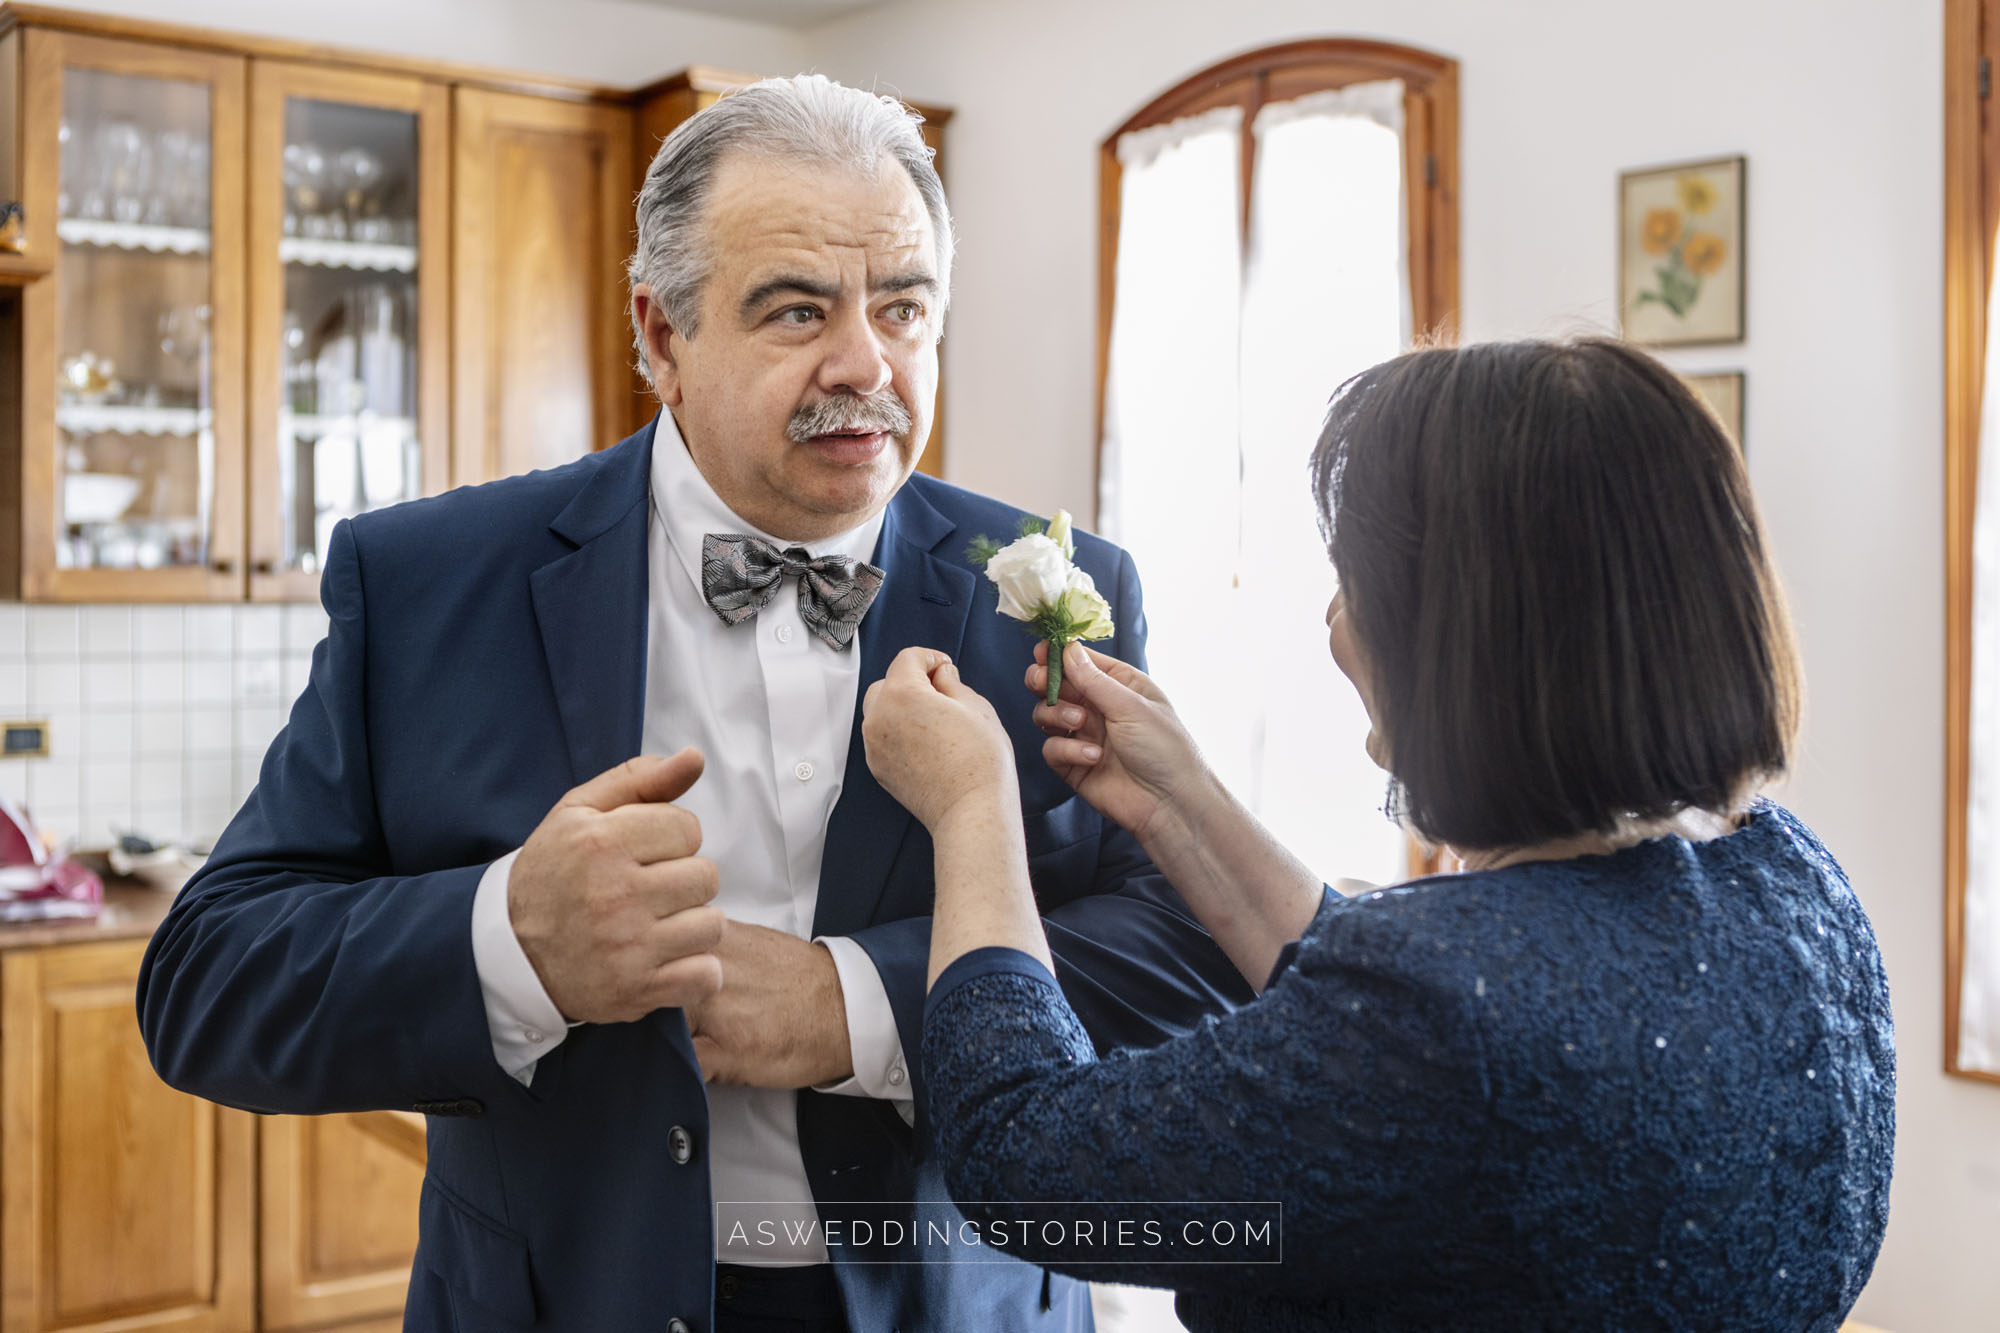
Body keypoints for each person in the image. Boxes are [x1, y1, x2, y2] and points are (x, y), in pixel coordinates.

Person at [136, 76, 1249, 1333]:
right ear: (658, 334)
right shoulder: (427, 583)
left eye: (903, 307)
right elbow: (206, 980)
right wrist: (511, 941)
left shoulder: (1059, 590)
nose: (864, 364)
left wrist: (852, 1004)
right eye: (795, 310)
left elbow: (1192, 954)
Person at [861, 338, 1896, 1331]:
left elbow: (1024, 1164)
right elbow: (1394, 1055)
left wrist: (971, 809)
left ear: (1459, 636)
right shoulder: (1797, 887)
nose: (1333, 621)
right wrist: (1182, 802)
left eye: (1354, 579)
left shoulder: (1440, 1012)